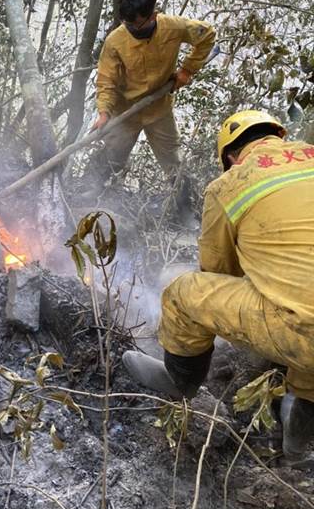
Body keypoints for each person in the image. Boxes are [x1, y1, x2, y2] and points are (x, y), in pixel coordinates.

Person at [123, 109, 314, 464]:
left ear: (230, 156)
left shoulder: (230, 184)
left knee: (184, 294)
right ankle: (295, 451)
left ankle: (180, 382)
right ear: (278, 136)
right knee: (309, 373)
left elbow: (217, 271)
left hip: (301, 329)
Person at [92, 0, 215, 187]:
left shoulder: (173, 27)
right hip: (126, 112)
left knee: (174, 162)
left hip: (159, 109)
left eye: (136, 24)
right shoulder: (115, 41)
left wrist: (187, 70)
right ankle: (91, 190)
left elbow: (207, 34)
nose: (131, 29)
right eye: (128, 24)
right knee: (111, 156)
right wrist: (104, 112)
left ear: (152, 16)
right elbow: (106, 81)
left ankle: (183, 206)